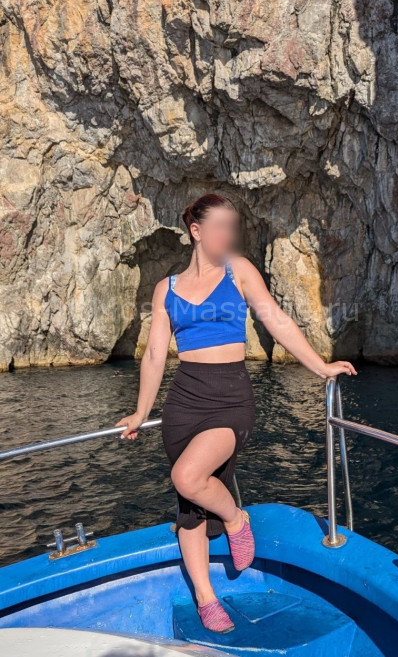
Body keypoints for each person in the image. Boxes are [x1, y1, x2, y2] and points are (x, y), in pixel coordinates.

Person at [115, 193, 357, 633]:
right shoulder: (166, 289)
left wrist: (321, 366)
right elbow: (153, 355)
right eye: (221, 227)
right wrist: (139, 412)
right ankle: (206, 599)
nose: (229, 235)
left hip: (231, 400)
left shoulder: (239, 271)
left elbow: (276, 321)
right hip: (183, 402)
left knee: (188, 476)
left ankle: (234, 518)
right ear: (196, 231)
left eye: (232, 227)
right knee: (189, 507)